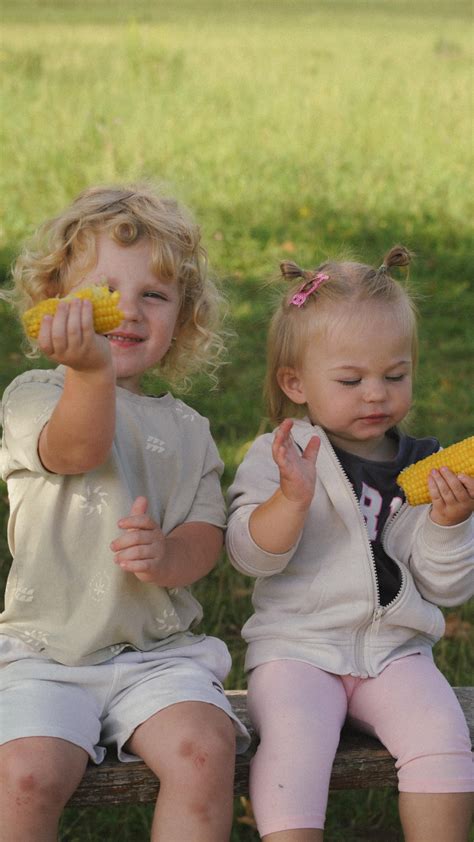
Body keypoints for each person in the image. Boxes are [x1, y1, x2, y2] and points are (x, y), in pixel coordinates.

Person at [0, 183, 250, 842]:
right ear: (55, 300)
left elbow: (206, 536)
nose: (130, 312)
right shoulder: (35, 395)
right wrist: (89, 371)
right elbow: (76, 447)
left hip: (157, 656)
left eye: (155, 296)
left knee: (204, 748)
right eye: (106, 292)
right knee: (24, 774)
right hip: (46, 653)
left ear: (183, 319)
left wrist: (169, 556)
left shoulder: (190, 429)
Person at [226, 246, 473, 842]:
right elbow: (249, 555)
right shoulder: (279, 456)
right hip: (297, 653)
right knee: (294, 746)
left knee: (442, 734)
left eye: (395, 376)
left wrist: (449, 524)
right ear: (296, 383)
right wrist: (289, 502)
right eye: (350, 379)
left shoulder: (426, 466)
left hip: (394, 653)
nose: (376, 395)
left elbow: (447, 587)